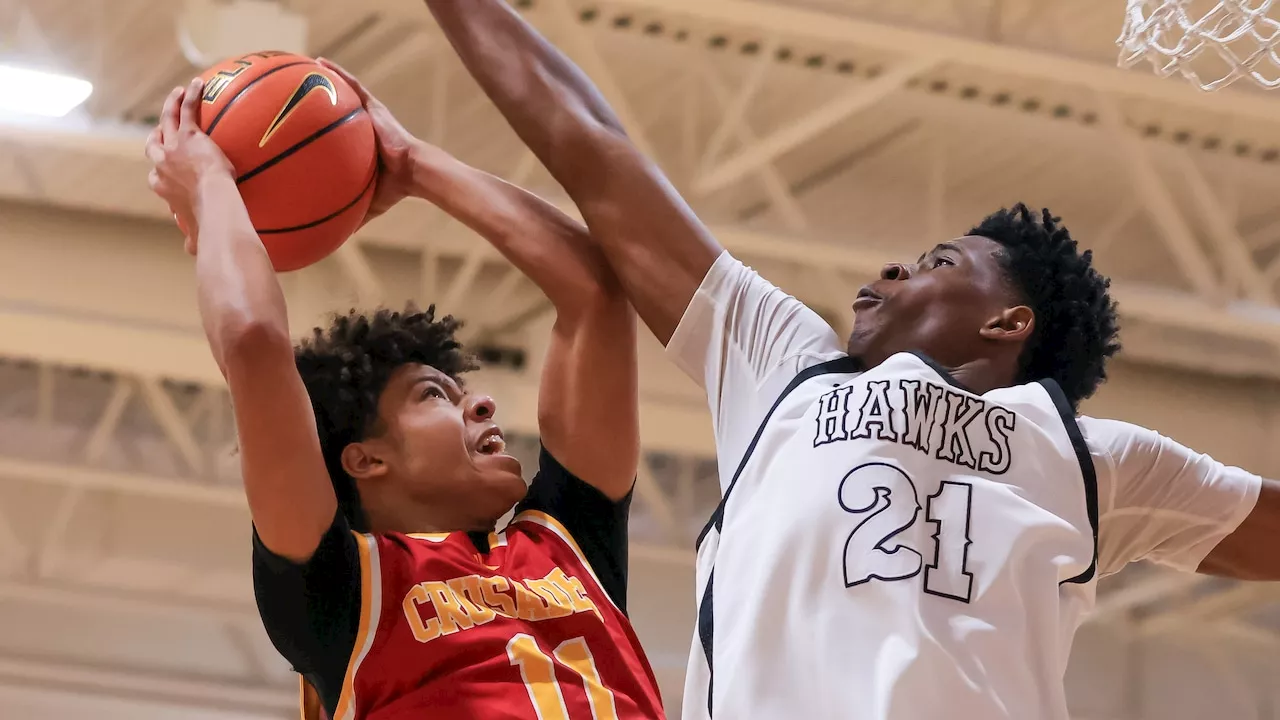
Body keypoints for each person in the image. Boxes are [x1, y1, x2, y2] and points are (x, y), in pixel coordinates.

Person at [416, 2, 1280, 719]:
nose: (894, 269)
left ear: (1008, 322)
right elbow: (591, 148)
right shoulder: (786, 363)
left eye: (941, 262)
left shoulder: (1092, 460)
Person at [144, 67, 666, 720]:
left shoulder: (567, 544)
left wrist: (415, 164)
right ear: (366, 458)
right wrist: (214, 186)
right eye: (434, 395)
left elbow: (596, 294)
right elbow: (253, 342)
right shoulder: (341, 588)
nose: (480, 406)